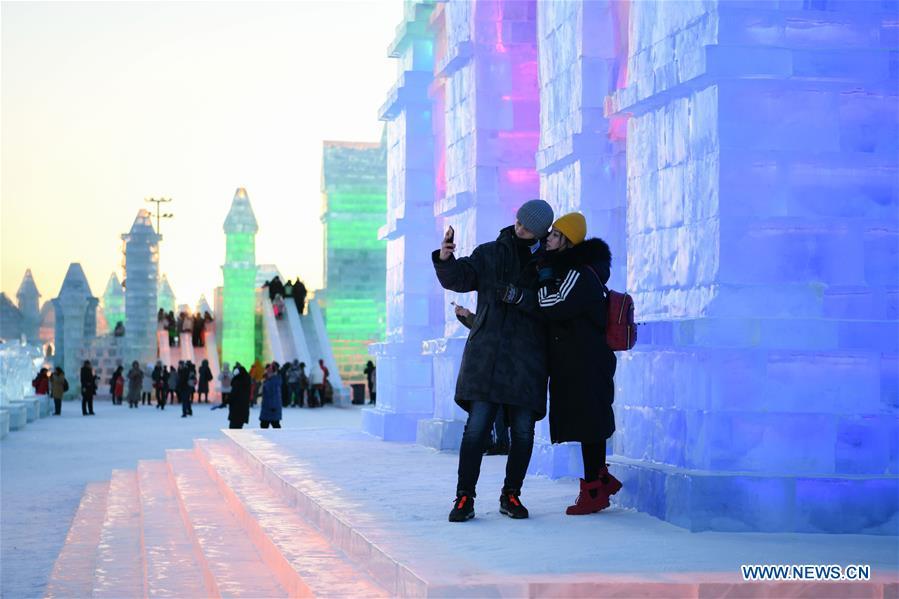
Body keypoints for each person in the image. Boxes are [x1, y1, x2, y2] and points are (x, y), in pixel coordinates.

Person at [432, 199, 554, 522]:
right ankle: (464, 498)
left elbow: (552, 306)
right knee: (476, 431)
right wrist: (446, 260)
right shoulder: (491, 252)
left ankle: (511, 494)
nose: (520, 227)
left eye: (529, 225)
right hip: (488, 358)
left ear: (540, 232)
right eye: (519, 219)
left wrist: (521, 297)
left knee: (523, 434)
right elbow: (460, 277)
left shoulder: (548, 263)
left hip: (527, 363)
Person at [537, 212, 622, 515]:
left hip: (586, 362)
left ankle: (594, 491)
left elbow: (553, 306)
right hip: (583, 360)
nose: (549, 238)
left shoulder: (578, 272)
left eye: (556, 235)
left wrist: (545, 279)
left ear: (568, 241)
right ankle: (599, 479)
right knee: (591, 423)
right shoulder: (579, 270)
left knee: (589, 425)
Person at [260, 362, 283, 428]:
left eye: (268, 371)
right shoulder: (270, 380)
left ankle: (279, 438)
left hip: (271, 408)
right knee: (267, 425)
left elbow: (275, 395)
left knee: (272, 425)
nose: (266, 372)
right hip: (268, 407)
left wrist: (273, 407)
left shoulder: (273, 381)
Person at [228, 363, 251, 429]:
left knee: (233, 428)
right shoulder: (246, 380)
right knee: (238, 427)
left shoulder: (238, 382)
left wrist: (226, 401)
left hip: (236, 410)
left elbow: (233, 395)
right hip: (243, 409)